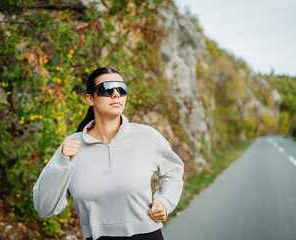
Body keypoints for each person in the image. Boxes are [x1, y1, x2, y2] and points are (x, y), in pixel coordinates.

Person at [33, 67, 184, 240]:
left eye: (121, 89)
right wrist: (61, 162)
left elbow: (174, 171)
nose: (116, 94)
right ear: (90, 98)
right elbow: (44, 208)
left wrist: (164, 202)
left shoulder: (146, 136)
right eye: (106, 89)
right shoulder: (72, 146)